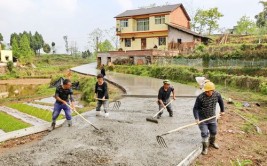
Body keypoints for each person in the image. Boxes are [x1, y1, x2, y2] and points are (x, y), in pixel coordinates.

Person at [193, 81, 225, 155]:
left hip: (212, 117)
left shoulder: (217, 95)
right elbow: (195, 108)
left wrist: (222, 111)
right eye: (205, 91)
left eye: (208, 91)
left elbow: (221, 101)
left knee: (214, 131)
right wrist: (196, 118)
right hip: (202, 119)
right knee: (204, 133)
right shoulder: (200, 97)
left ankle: (212, 142)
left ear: (212, 90)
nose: (206, 93)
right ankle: (205, 148)